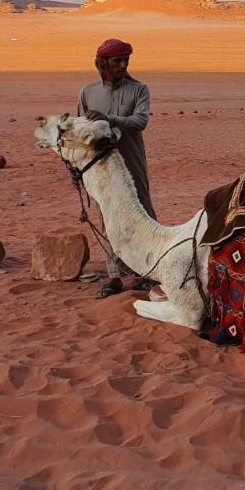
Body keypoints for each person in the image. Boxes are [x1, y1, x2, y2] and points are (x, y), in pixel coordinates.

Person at [77, 38, 156, 298]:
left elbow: (139, 121)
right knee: (106, 216)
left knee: (142, 211)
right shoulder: (87, 93)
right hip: (101, 167)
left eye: (126, 60)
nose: (123, 65)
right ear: (102, 63)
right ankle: (114, 277)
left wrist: (107, 119)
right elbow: (80, 131)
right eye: (117, 60)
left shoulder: (139, 90)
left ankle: (149, 271)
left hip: (131, 161)